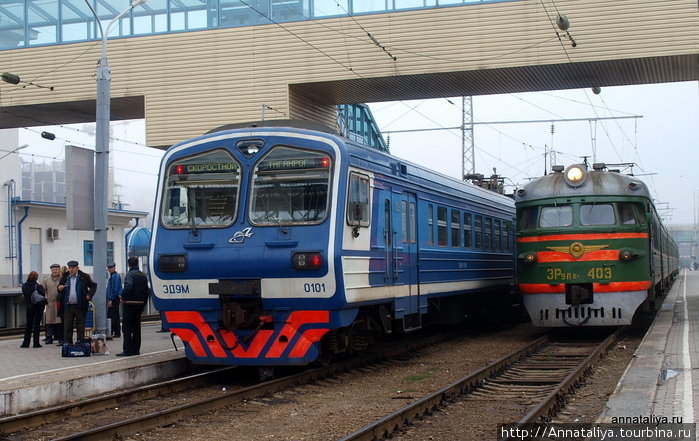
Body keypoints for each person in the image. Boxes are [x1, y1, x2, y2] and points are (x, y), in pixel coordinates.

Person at [57, 260, 97, 344]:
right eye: (70, 268)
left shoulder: (84, 276)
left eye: (73, 268)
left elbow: (93, 285)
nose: (71, 270)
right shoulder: (65, 277)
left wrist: (89, 295)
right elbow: (60, 287)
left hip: (80, 305)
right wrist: (59, 288)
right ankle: (68, 343)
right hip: (68, 306)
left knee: (80, 326)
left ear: (77, 268)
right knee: (67, 326)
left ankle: (80, 342)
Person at [118, 256, 150, 356]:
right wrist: (143, 303)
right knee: (136, 328)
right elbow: (147, 291)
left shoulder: (130, 275)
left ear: (129, 264)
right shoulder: (143, 275)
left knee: (126, 328)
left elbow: (128, 287)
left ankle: (127, 350)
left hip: (130, 304)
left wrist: (122, 296)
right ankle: (136, 350)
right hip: (139, 305)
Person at [21, 271, 47, 348]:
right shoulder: (37, 286)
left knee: (28, 325)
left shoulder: (24, 286)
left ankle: (25, 343)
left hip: (29, 307)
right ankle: (36, 343)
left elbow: (25, 296)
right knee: (36, 325)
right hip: (37, 307)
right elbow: (42, 294)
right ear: (36, 278)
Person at [42, 263, 64, 345]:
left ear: (59, 270)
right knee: (49, 321)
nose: (55, 271)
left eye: (57, 269)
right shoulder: (46, 279)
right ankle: (49, 338)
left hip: (60, 303)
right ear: (51, 270)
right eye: (53, 270)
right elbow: (43, 290)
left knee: (60, 321)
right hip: (50, 303)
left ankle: (60, 338)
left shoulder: (63, 278)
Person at [106, 262, 122, 339]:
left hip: (114, 299)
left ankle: (112, 331)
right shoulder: (113, 276)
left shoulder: (115, 277)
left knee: (111, 316)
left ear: (114, 268)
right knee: (115, 315)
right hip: (113, 298)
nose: (109, 269)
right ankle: (116, 332)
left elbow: (115, 289)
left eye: (110, 268)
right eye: (109, 268)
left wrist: (111, 299)